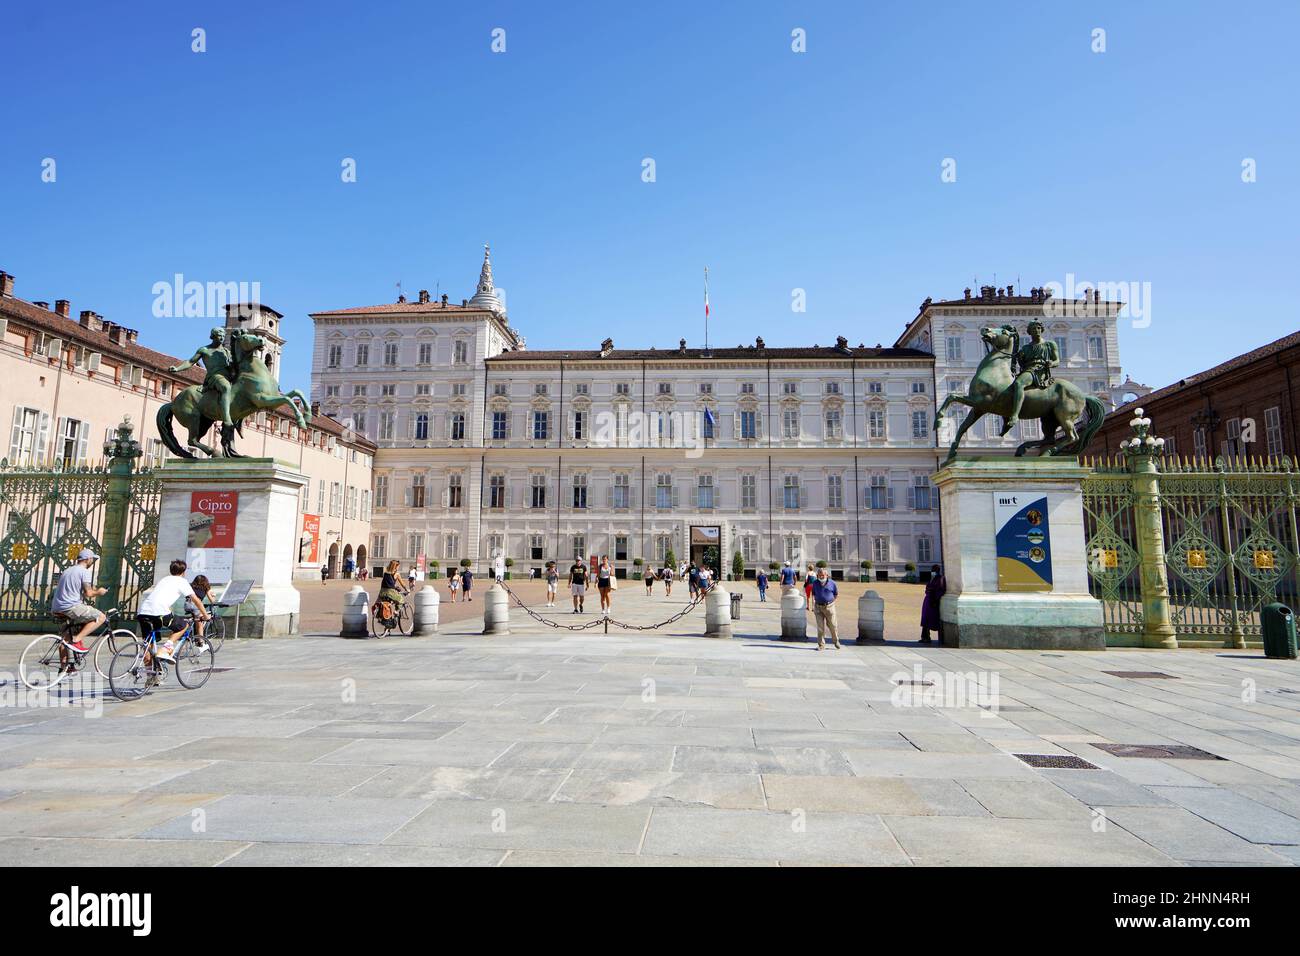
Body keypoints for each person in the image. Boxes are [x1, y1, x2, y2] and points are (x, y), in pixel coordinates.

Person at [137, 558, 210, 663]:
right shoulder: (182, 582)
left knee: (149, 646)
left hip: (143, 612)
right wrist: (205, 616)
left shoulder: (164, 579)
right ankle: (165, 649)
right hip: (159, 612)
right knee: (183, 626)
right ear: (183, 572)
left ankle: (151, 676)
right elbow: (197, 601)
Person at [1003, 319, 1060, 434]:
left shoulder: (1049, 344)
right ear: (1029, 332)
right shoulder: (1026, 348)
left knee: (1019, 383)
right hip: (1028, 370)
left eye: (1038, 328)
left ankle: (1014, 415)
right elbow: (1021, 363)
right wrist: (1019, 358)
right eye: (1033, 329)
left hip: (1040, 371)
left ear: (1042, 329)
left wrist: (1052, 363)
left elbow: (1057, 360)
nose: (1036, 330)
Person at [50, 548, 107, 652]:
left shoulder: (67, 570)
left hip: (57, 607)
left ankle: (65, 667)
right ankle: (77, 640)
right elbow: (89, 593)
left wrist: (94, 589)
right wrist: (99, 592)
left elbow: (81, 587)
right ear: (88, 559)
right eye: (92, 559)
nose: (92, 562)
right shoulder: (84, 572)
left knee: (65, 638)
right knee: (101, 617)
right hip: (71, 607)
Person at [810, 565, 841, 651]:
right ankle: (821, 645)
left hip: (829, 607)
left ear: (827, 575)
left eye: (823, 575)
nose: (821, 576)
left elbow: (836, 594)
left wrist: (830, 602)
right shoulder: (815, 583)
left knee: (833, 625)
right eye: (819, 575)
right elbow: (813, 594)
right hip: (818, 607)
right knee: (820, 627)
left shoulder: (832, 583)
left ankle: (836, 641)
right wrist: (813, 604)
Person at [920, 564, 945, 644]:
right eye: (932, 569)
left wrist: (935, 600)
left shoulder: (940, 578)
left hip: (933, 601)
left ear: (937, 570)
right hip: (927, 600)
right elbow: (927, 587)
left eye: (934, 570)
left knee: (931, 619)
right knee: (925, 619)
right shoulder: (932, 578)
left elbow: (940, 590)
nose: (932, 571)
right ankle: (925, 637)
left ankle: (928, 637)